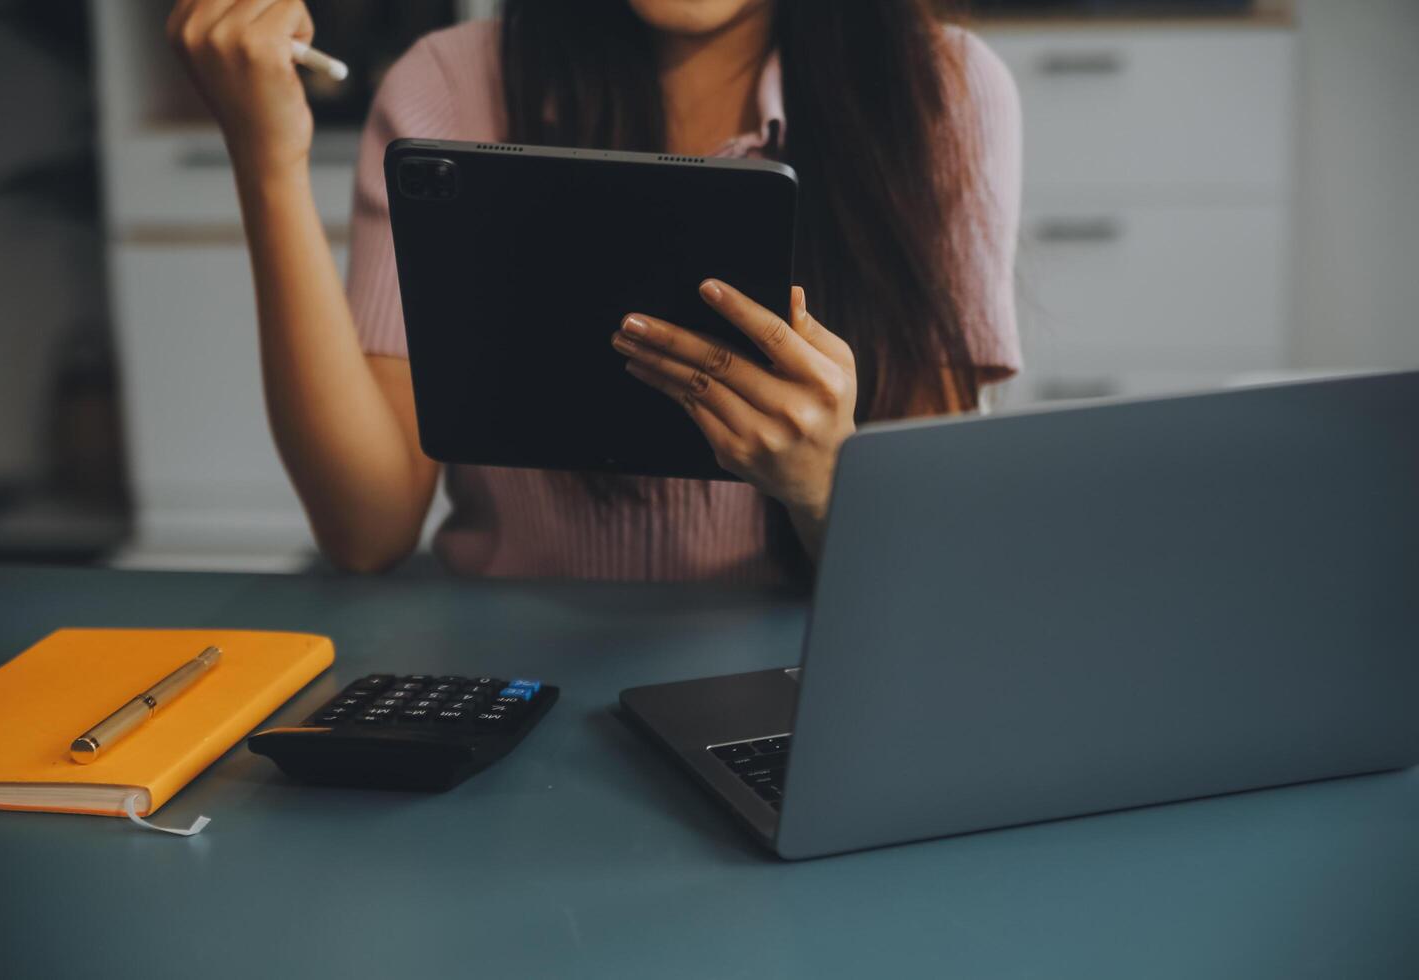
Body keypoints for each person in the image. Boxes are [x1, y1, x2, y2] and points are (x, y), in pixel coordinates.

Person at [166, 0, 1021, 583]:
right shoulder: (447, 84)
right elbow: (367, 530)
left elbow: (925, 574)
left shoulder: (941, 91)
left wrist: (823, 488)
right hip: (508, 676)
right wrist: (267, 157)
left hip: (799, 677)